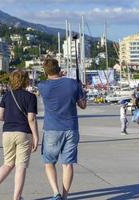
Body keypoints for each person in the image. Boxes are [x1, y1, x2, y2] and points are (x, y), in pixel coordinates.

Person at [38, 57, 87, 200]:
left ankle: (56, 192)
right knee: (67, 164)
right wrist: (80, 89)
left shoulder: (42, 86)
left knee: (49, 162)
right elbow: (83, 105)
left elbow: (53, 81)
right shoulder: (72, 84)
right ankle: (65, 195)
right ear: (59, 68)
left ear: (45, 71)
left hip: (52, 128)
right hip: (71, 127)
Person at [0, 69, 39, 200]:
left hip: (7, 132)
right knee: (20, 166)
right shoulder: (31, 97)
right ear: (26, 80)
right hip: (23, 133)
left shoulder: (7, 96)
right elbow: (31, 119)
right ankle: (17, 197)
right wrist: (36, 137)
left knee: (8, 163)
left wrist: (11, 119)